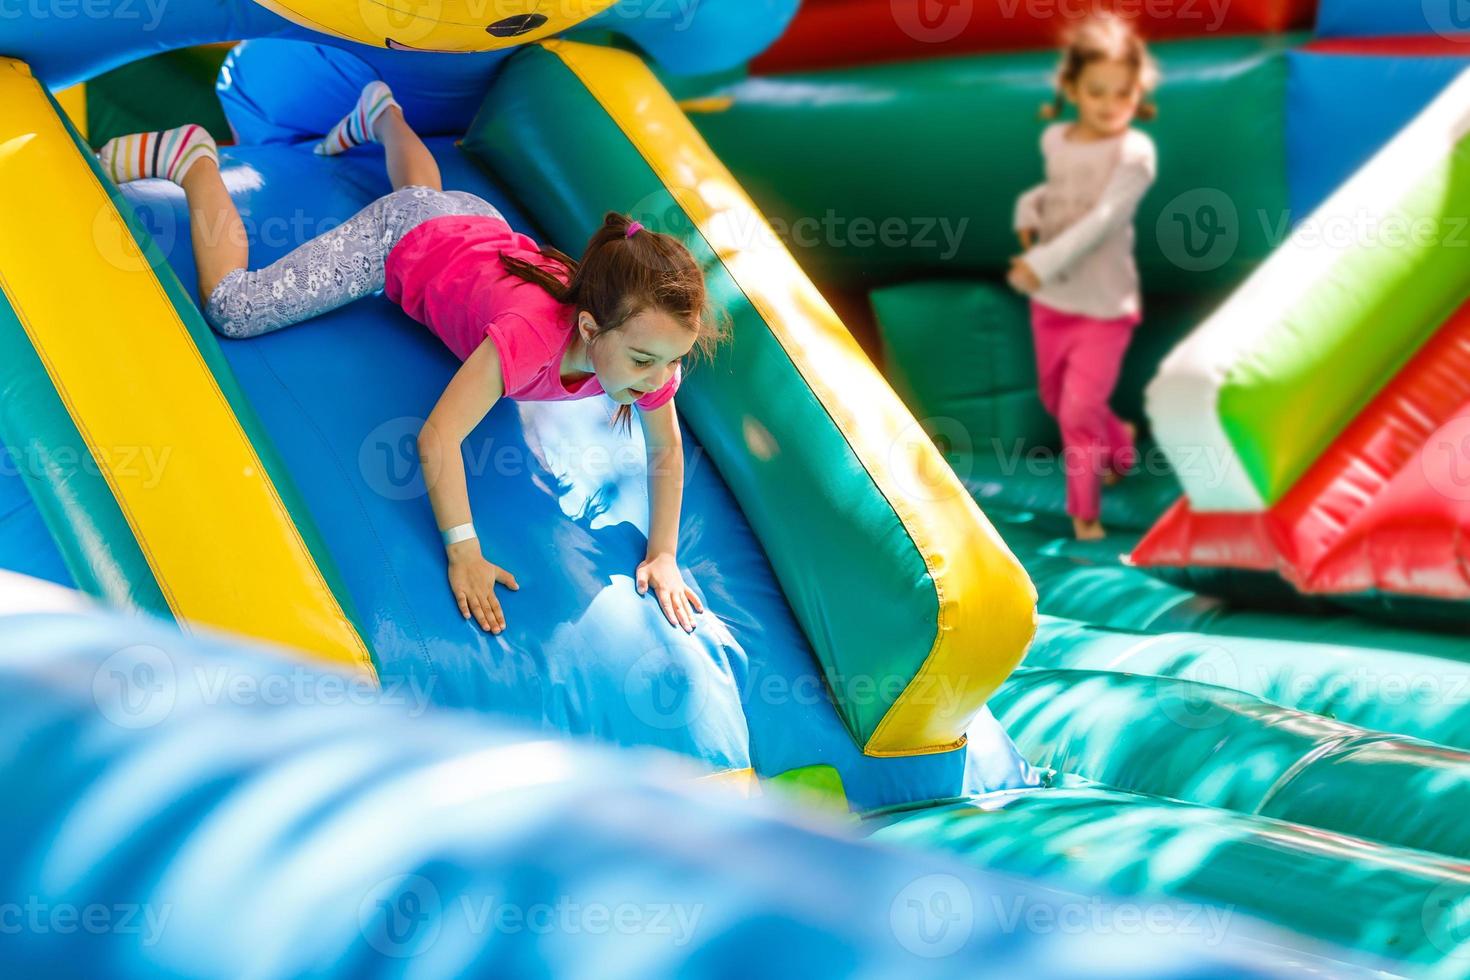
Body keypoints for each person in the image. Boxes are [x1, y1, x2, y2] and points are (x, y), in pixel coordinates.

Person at [99, 82, 721, 635]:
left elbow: (666, 448)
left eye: (675, 362)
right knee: (236, 309)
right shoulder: (532, 338)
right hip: (405, 235)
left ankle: (382, 112)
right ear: (590, 326)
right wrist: (463, 550)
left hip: (476, 224)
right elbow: (437, 439)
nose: (660, 381)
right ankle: (194, 160)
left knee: (430, 194)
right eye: (645, 361)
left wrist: (662, 551)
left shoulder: (645, 358)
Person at [1008, 14, 1159, 540]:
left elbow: (1102, 221)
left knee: (1075, 412)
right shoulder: (1056, 139)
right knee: (1059, 402)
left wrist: (1038, 263)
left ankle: (1086, 516)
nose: (1111, 104)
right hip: (1052, 302)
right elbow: (1054, 194)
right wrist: (1026, 211)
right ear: (1071, 87)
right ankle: (1120, 439)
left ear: (1138, 92)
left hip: (1105, 307)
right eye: (1097, 91)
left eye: (1123, 93)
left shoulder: (1135, 154)